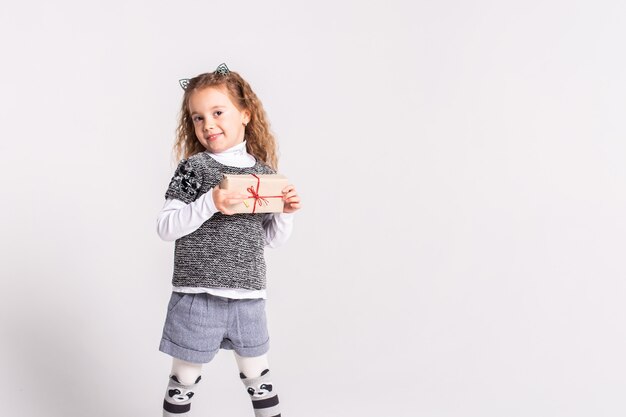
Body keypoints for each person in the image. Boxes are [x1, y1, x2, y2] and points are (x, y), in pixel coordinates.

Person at [156, 63, 301, 417]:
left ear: (245, 114)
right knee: (183, 381)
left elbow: (270, 239)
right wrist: (210, 202)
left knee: (259, 377)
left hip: (247, 298)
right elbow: (165, 227)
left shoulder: (265, 175)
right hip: (197, 297)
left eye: (217, 112)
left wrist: (286, 212)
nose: (207, 124)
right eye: (197, 117)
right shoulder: (193, 169)